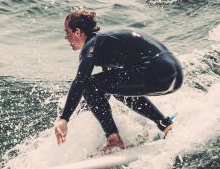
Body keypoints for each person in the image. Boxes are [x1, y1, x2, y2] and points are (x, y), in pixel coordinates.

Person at [55, 9, 183, 152]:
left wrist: (64, 118)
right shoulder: (106, 43)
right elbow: (107, 90)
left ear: (77, 32)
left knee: (89, 85)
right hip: (174, 75)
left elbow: (81, 81)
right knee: (116, 89)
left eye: (67, 32)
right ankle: (165, 125)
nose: (66, 37)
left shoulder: (92, 47)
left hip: (157, 72)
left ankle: (114, 140)